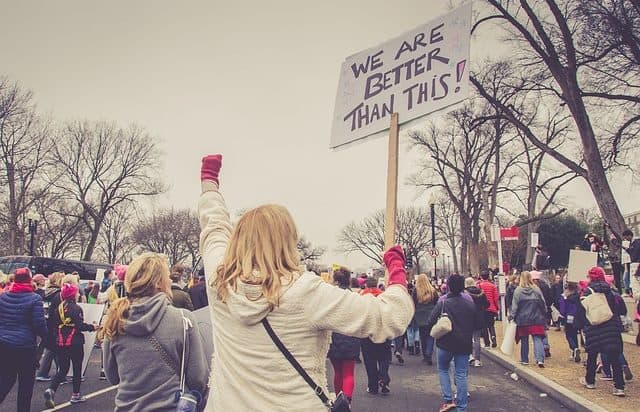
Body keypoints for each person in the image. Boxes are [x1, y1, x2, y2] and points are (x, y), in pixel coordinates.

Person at [197, 154, 413, 410]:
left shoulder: (219, 280)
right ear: (288, 241)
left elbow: (214, 227)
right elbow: (390, 317)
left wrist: (209, 185)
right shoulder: (305, 292)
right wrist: (397, 268)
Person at [101, 253, 209, 411]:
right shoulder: (183, 319)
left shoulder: (115, 320)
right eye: (167, 276)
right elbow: (198, 379)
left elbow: (112, 377)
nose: (170, 280)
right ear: (158, 283)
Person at [426, 274, 477, 412]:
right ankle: (462, 406)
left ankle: (448, 400)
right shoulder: (470, 303)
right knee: (461, 374)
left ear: (448, 286)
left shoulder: (443, 302)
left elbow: (430, 320)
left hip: (445, 342)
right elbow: (478, 324)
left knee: (443, 369)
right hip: (464, 343)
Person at [0, 268, 48, 412]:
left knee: (5, 380)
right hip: (25, 346)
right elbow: (39, 324)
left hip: (4, 343)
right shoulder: (35, 299)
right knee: (26, 385)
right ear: (29, 280)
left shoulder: (3, 297)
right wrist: (47, 338)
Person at [44, 282, 97, 408]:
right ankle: (76, 395)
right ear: (74, 295)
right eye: (77, 292)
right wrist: (92, 327)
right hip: (75, 342)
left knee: (62, 369)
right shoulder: (77, 308)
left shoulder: (59, 308)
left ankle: (51, 389)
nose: (79, 293)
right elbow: (79, 326)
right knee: (77, 368)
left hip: (61, 341)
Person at [575, 266, 626, 396]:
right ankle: (619, 386)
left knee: (592, 356)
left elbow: (582, 311)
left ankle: (590, 381)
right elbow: (619, 307)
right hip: (611, 327)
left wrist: (582, 325)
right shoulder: (610, 290)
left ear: (591, 277)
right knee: (614, 356)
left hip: (594, 327)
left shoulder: (587, 292)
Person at [327, 267, 361, 404]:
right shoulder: (354, 297)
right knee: (348, 373)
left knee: (338, 373)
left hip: (334, 336)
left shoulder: (330, 297)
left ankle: (338, 400)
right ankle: (347, 401)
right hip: (351, 336)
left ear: (335, 280)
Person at [359, 277, 393, 395]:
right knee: (384, 358)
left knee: (370, 360)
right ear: (377, 285)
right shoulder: (384, 297)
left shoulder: (361, 297)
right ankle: (384, 378)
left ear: (366, 286)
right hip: (383, 331)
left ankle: (373, 386)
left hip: (367, 333)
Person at [510, 271, 547, 368]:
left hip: (523, 319)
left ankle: (524, 359)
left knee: (524, 340)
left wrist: (512, 316)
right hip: (536, 317)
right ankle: (540, 359)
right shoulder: (536, 289)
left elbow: (515, 306)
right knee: (537, 338)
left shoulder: (518, 291)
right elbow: (542, 303)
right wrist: (544, 313)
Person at [36, 272, 65, 382]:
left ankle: (60, 372)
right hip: (54, 324)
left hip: (45, 321)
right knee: (52, 348)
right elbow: (58, 311)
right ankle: (44, 373)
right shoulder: (58, 294)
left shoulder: (46, 292)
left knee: (53, 348)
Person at [413, 274, 439, 365]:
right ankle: (429, 353)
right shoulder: (432, 291)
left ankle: (425, 355)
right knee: (431, 336)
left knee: (422, 336)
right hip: (431, 314)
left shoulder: (416, 291)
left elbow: (414, 303)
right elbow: (437, 302)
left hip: (420, 315)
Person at [465, 277, 489, 367]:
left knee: (468, 338)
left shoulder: (464, 293)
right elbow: (487, 304)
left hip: (467, 317)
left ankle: (470, 356)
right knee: (477, 339)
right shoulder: (481, 292)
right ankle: (477, 359)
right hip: (479, 316)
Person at [531, 270, 553, 357]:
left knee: (536, 332)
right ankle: (545, 345)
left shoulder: (532, 288)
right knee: (543, 329)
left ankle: (540, 350)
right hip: (545, 310)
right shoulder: (545, 286)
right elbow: (550, 297)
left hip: (535, 311)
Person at [559, 282, 581, 362]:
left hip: (568, 317)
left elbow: (562, 310)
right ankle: (575, 350)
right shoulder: (577, 297)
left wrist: (561, 319)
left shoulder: (565, 298)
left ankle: (574, 348)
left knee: (568, 334)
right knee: (574, 333)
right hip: (576, 317)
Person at [477, 271, 499, 348]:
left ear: (481, 277)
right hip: (491, 308)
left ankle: (487, 343)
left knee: (484, 326)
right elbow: (495, 298)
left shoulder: (479, 286)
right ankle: (493, 338)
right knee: (491, 325)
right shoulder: (493, 286)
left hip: (482, 308)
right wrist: (497, 307)